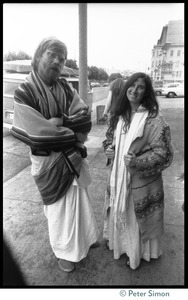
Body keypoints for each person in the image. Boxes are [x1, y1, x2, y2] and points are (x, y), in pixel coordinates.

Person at [11, 37, 99, 272]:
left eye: (62, 58)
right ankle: (64, 253)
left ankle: (84, 241)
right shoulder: (24, 92)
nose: (58, 61)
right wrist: (73, 134)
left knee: (78, 203)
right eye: (53, 55)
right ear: (39, 56)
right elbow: (36, 134)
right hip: (47, 164)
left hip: (72, 161)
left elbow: (84, 118)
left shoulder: (65, 88)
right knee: (59, 210)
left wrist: (60, 122)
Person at [102, 72, 173, 270]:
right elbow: (109, 139)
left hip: (140, 182)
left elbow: (165, 154)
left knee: (135, 217)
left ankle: (138, 253)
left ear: (146, 92)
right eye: (131, 85)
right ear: (126, 88)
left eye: (140, 87)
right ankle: (121, 246)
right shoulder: (118, 115)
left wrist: (139, 161)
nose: (134, 90)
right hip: (117, 176)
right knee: (120, 209)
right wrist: (109, 149)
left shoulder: (154, 119)